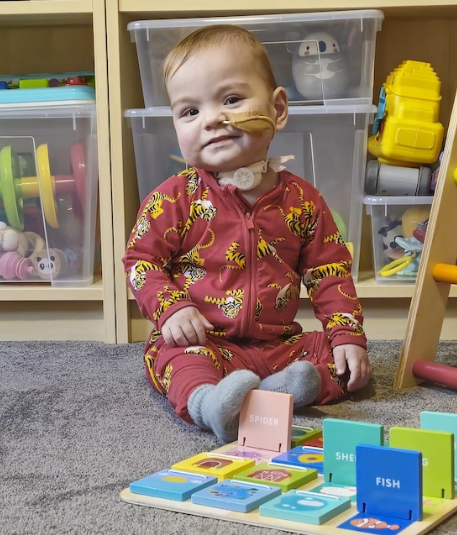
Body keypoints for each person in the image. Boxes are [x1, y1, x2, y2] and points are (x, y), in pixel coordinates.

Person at [123, 24, 370, 444]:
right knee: (174, 359)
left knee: (344, 363)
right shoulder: (175, 198)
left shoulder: (303, 201)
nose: (213, 119)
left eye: (232, 100)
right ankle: (209, 403)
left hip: (278, 345)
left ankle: (276, 392)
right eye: (190, 111)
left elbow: (330, 271)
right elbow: (141, 259)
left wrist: (348, 335)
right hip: (205, 339)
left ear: (277, 109)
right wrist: (171, 309)